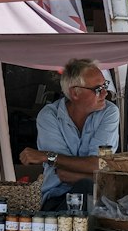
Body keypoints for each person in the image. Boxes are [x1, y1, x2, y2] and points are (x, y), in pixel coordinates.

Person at [19, 58, 119, 212]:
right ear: (75, 93)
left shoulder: (109, 113)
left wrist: (47, 156)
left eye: (105, 85)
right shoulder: (49, 115)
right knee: (86, 187)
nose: (105, 93)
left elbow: (99, 164)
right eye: (98, 89)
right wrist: (97, 177)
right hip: (56, 199)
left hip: (98, 199)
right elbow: (63, 173)